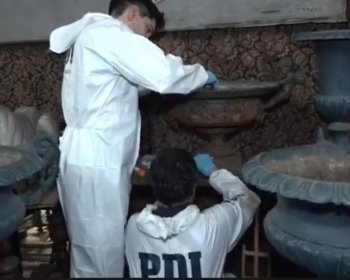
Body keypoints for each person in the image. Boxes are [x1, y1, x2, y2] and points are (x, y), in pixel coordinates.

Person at [48, 0, 219, 277]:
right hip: (97, 160)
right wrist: (200, 75)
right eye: (147, 29)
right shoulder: (111, 34)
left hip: (85, 155)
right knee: (103, 252)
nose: (144, 39)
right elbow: (164, 73)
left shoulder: (91, 37)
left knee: (87, 249)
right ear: (132, 12)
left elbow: (113, 92)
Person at [125, 149, 261, 278]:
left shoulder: (133, 227)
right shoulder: (213, 225)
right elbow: (248, 199)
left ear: (153, 187)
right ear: (194, 188)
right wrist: (214, 171)